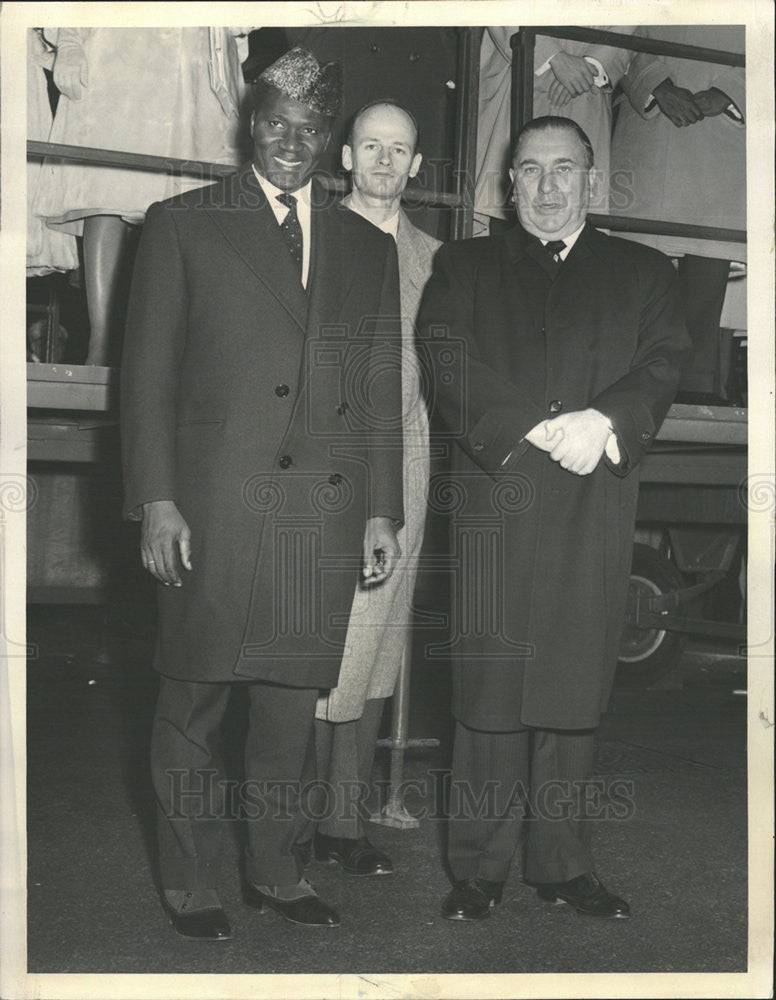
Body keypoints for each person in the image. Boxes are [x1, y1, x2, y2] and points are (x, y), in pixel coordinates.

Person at [120, 47, 404, 939]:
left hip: (318, 516)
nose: (291, 140)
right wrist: (156, 499)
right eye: (275, 122)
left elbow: (377, 384)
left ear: (332, 138)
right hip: (212, 510)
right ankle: (187, 878)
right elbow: (145, 379)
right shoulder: (182, 224)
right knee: (192, 705)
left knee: (286, 711)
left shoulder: (367, 245)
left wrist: (380, 504)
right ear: (252, 123)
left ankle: (276, 873)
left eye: (310, 127)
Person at [417, 116, 690, 921]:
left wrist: (603, 422)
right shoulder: (463, 265)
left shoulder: (643, 272)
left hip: (590, 499)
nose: (546, 187)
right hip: (495, 494)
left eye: (563, 170)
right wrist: (528, 426)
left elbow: (663, 360)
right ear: (509, 183)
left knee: (573, 687)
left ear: (592, 178)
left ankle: (563, 865)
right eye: (530, 170)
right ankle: (476, 869)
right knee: (489, 691)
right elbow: (442, 352)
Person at [302, 100, 439, 876]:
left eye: (401, 148)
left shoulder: (434, 255)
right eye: (372, 147)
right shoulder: (312, 235)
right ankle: (308, 818)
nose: (385, 161)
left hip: (408, 450)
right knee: (331, 643)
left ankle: (344, 822)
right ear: (347, 157)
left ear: (417, 165)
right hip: (330, 449)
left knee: (380, 644)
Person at [34, 27, 251, 365]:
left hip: (196, 51)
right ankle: (101, 342)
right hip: (122, 43)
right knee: (106, 184)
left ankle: (173, 345)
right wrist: (70, 38)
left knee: (191, 201)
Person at [611, 25, 746, 401]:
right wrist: (657, 87)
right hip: (649, 129)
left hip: (724, 135)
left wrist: (731, 92)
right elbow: (619, 28)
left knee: (710, 263)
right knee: (635, 268)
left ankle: (694, 391)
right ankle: (626, 388)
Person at [474, 25, 636, 234]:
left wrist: (592, 66)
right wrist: (552, 57)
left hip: (589, 88)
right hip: (522, 66)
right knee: (507, 200)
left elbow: (632, 18)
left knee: (577, 209)